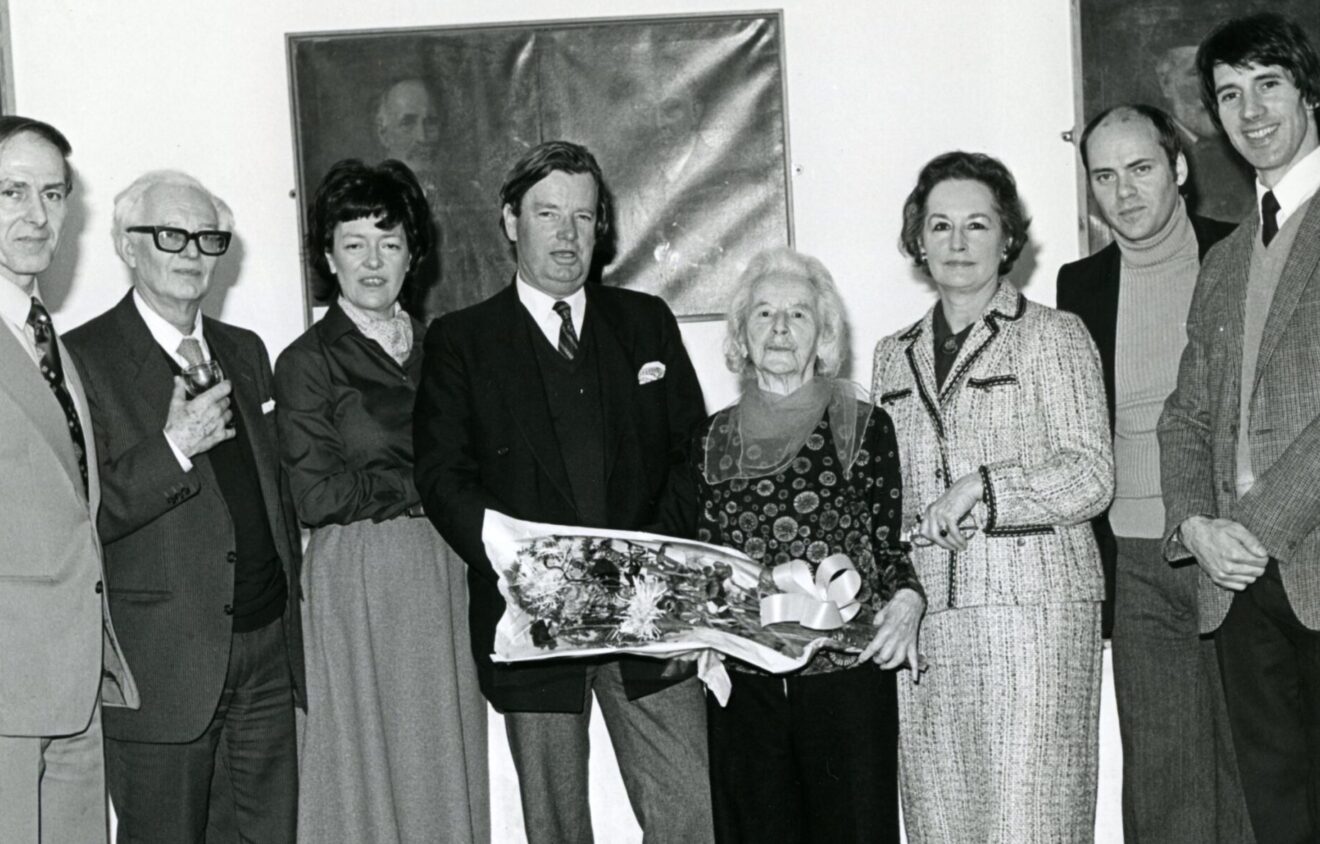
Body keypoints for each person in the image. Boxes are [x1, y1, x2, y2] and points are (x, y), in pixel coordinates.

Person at [413, 140, 714, 844]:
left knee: (693, 816)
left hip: (649, 616)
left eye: (583, 217)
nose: (567, 234)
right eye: (548, 214)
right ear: (511, 221)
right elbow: (442, 476)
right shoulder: (461, 340)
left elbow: (692, 456)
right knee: (556, 832)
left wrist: (648, 565)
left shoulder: (646, 323)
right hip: (532, 620)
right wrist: (528, 568)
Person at [872, 151, 1112, 843]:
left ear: (1007, 238)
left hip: (1035, 618)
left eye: (977, 225)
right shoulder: (894, 354)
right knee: (940, 825)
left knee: (1031, 823)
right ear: (918, 238)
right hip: (930, 622)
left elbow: (1090, 474)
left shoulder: (1055, 336)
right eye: (939, 225)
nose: (956, 242)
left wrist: (986, 487)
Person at [65, 170, 305, 842]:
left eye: (208, 238)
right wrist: (173, 447)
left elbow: (273, 495)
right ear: (127, 245)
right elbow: (85, 515)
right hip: (162, 668)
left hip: (263, 652)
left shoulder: (244, 351)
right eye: (171, 235)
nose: (193, 253)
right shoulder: (82, 359)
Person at [662, 247, 924, 843]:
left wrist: (909, 599)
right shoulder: (708, 440)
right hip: (746, 688)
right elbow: (699, 562)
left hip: (847, 682)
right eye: (763, 314)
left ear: (824, 334)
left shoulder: (864, 425)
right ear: (740, 334)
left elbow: (888, 551)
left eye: (798, 315)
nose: (779, 328)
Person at [273, 158, 488, 844]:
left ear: (412, 255)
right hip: (358, 576)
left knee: (442, 760)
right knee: (366, 768)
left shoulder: (445, 349)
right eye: (353, 242)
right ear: (327, 257)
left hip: (445, 572)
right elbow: (318, 493)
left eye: (389, 242)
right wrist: (426, 485)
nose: (373, 260)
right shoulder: (308, 360)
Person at [1057, 104, 1251, 844]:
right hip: (1137, 560)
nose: (1125, 192)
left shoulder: (1236, 255)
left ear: (1176, 169)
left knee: (1248, 767)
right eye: (1105, 177)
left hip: (1231, 550)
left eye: (1141, 169)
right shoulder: (1080, 284)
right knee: (1164, 777)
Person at [1160, 13, 1320, 842]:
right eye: (1229, 94)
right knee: (1279, 816)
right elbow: (1183, 416)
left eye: (1268, 84)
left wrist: (1246, 530)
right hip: (1237, 584)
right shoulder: (1222, 260)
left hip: (1298, 555)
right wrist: (1196, 525)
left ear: (1307, 91)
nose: (1250, 110)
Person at [0, 115, 138, 843]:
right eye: (12, 191)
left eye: (52, 195)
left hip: (77, 678)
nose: (36, 215)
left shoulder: (42, 331)